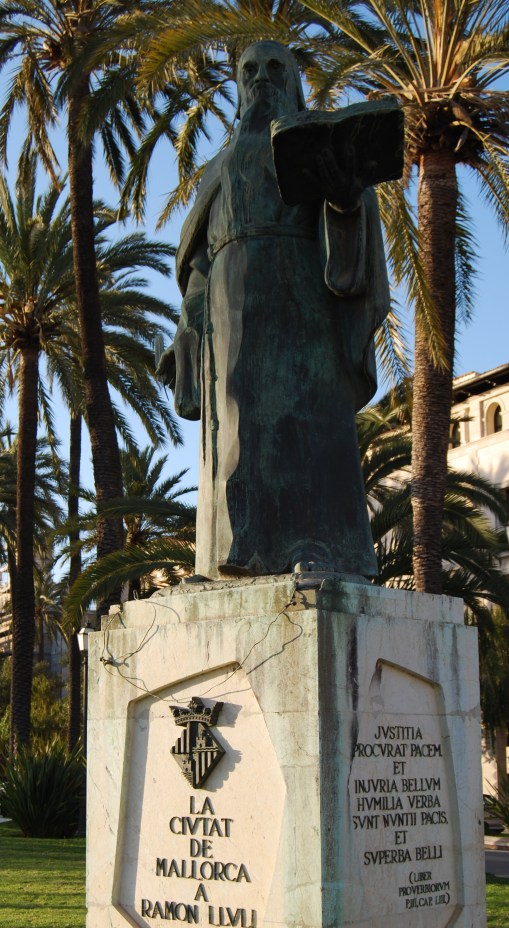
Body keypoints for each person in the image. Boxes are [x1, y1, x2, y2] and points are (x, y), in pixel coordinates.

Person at [161, 41, 391, 580]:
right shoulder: (218, 168)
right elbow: (198, 259)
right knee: (231, 438)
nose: (261, 78)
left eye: (274, 69)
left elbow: (351, 243)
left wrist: (343, 200)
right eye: (249, 70)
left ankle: (318, 546)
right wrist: (189, 327)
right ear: (238, 86)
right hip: (226, 319)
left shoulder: (314, 146)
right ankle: (224, 557)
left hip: (300, 313)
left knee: (301, 428)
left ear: (292, 81)